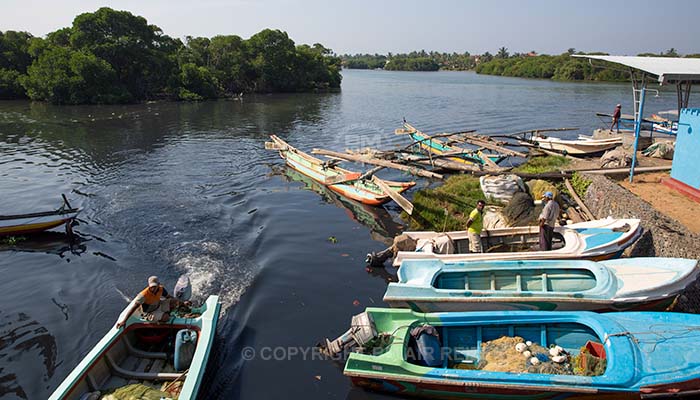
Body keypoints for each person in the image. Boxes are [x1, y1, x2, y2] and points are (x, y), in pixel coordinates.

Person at [115, 276, 187, 329]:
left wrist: (182, 303)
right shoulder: (143, 295)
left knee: (174, 302)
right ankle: (160, 319)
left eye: (155, 286)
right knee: (166, 318)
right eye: (152, 286)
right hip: (149, 312)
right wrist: (124, 321)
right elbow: (134, 307)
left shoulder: (161, 289)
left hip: (158, 305)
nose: (153, 288)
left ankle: (163, 314)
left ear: (158, 285)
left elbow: (169, 297)